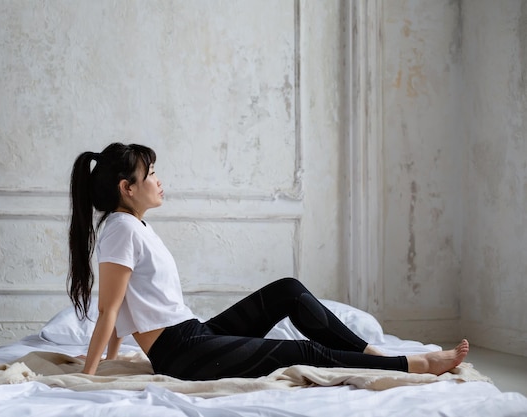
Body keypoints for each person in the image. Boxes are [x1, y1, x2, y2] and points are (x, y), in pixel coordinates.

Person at [67, 142, 469, 379]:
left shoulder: (133, 227)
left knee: (288, 292)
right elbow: (110, 309)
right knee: (302, 354)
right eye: (151, 173)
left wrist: (113, 361)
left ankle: (373, 354)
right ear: (127, 188)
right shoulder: (121, 229)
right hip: (180, 353)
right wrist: (91, 374)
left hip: (193, 335)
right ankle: (411, 365)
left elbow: (123, 310)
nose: (158, 180)